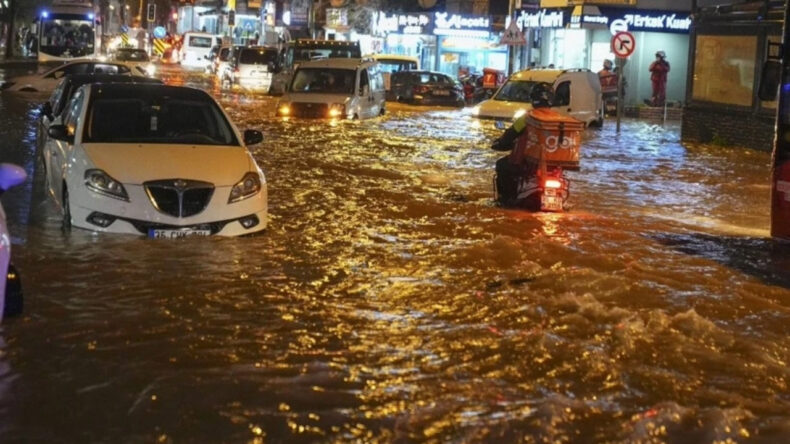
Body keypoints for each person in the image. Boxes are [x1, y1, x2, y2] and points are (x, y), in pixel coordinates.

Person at [491, 82, 555, 207]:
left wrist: (501, 143)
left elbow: (510, 135)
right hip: (553, 165)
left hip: (528, 164)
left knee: (502, 165)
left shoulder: (526, 118)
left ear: (533, 99)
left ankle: (506, 201)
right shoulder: (559, 119)